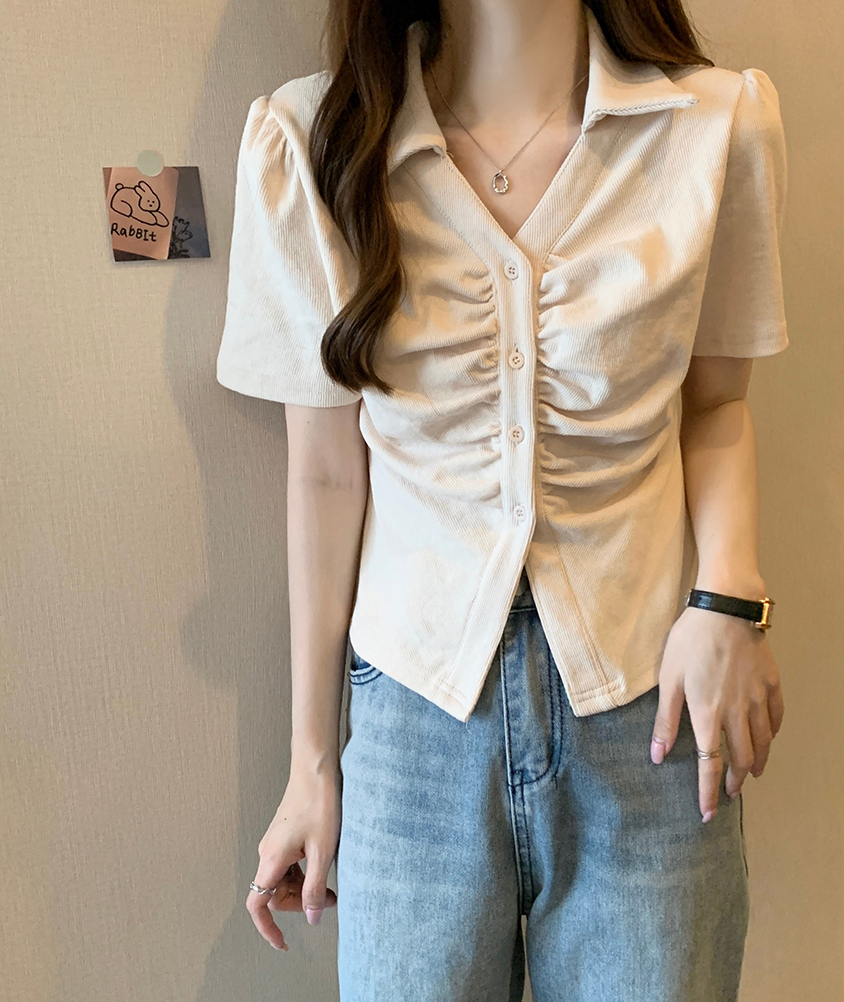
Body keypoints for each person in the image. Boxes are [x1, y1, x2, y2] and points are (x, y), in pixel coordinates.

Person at [216, 0, 788, 998]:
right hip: (412, 723)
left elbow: (717, 407)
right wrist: (311, 762)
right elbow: (324, 472)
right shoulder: (311, 145)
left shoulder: (713, 127)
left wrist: (730, 602)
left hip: (650, 707)